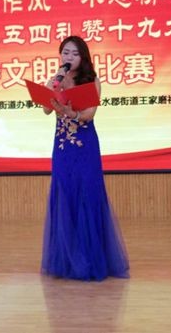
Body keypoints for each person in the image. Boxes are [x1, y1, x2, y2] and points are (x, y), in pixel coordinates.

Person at [41, 36, 130, 281]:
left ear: (83, 57)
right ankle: (66, 259)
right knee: (65, 193)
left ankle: (90, 259)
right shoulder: (55, 79)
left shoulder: (92, 80)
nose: (68, 57)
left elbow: (89, 115)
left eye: (74, 54)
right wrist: (53, 89)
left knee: (87, 194)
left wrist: (71, 113)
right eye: (65, 53)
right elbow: (46, 109)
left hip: (85, 144)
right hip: (62, 146)